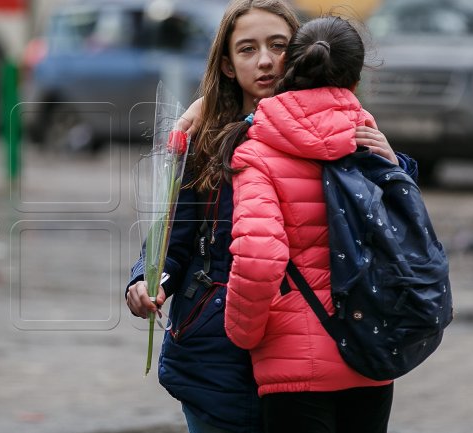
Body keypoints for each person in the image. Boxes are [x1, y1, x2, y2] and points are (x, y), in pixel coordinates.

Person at [125, 1, 417, 432]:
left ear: (299, 52)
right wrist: (146, 280)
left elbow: (391, 227)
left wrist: (396, 168)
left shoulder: (338, 130)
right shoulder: (205, 142)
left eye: (277, 45)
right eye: (247, 49)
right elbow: (174, 238)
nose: (264, 60)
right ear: (227, 65)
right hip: (219, 357)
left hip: (310, 357)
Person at [226, 15, 399, 433]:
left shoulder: (256, 151)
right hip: (371, 349)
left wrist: (243, 333)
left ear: (291, 69)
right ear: (355, 81)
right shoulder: (372, 144)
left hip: (294, 363)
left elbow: (258, 257)